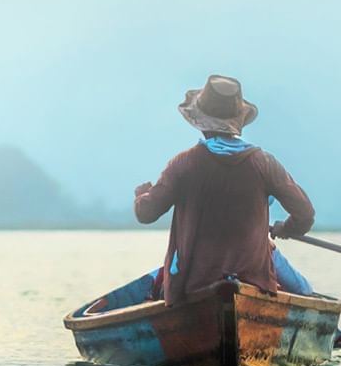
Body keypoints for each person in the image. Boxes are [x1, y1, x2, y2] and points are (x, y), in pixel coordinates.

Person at [132, 75, 318, 304]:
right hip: (255, 283)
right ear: (236, 121)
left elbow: (146, 213)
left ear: (200, 122)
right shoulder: (265, 164)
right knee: (301, 289)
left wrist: (142, 195)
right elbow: (305, 215)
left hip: (193, 285)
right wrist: (287, 228)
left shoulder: (183, 165)